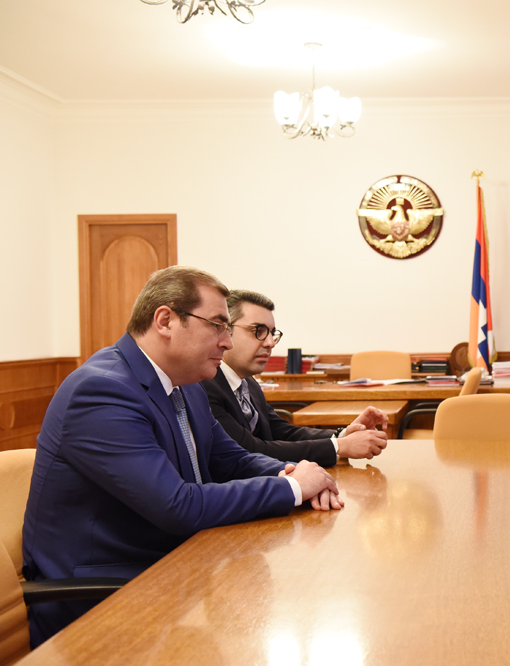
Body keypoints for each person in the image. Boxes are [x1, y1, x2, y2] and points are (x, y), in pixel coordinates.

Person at [22, 266, 341, 646]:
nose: (226, 341)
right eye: (218, 325)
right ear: (165, 320)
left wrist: (294, 472)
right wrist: (291, 488)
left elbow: (232, 459)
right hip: (100, 598)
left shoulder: (186, 384)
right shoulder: (101, 391)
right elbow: (177, 505)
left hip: (173, 569)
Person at [201, 289, 388, 467]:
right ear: (226, 330)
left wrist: (344, 434)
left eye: (272, 333)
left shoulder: (248, 383)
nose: (270, 343)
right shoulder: (205, 386)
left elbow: (281, 432)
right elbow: (249, 450)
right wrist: (340, 447)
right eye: (258, 331)